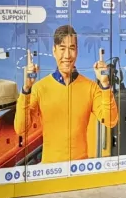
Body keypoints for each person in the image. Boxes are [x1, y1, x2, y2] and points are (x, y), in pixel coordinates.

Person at [14, 24, 118, 163]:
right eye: (62, 48)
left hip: (80, 169)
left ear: (77, 51)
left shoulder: (91, 88)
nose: (67, 55)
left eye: (72, 48)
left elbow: (111, 121)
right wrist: (26, 89)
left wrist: (105, 84)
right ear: (54, 51)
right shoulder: (39, 88)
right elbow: (21, 129)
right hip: (49, 170)